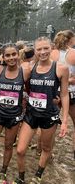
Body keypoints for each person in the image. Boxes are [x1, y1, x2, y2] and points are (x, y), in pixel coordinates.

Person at [14, 37, 69, 184]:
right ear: (35, 50)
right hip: (31, 114)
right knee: (20, 150)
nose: (43, 52)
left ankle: (38, 175)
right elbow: (17, 83)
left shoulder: (61, 68)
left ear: (51, 48)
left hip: (49, 116)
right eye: (39, 49)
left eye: (46, 48)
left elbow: (64, 94)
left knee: (45, 148)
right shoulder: (29, 68)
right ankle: (21, 177)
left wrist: (64, 121)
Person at [0, 44, 30, 183]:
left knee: (8, 145)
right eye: (7, 55)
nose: (11, 58)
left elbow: (30, 89)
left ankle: (4, 169)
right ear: (3, 57)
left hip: (14, 116)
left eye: (13, 54)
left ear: (18, 55)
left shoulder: (25, 72)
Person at [50, 30, 75, 159]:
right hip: (70, 92)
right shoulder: (73, 53)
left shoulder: (51, 53)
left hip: (54, 92)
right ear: (70, 39)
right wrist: (68, 80)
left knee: (49, 123)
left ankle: (42, 149)